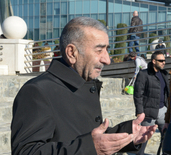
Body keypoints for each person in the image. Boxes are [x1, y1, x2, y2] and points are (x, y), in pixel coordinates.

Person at [11, 17, 157, 155]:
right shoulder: (36, 91)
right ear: (72, 53)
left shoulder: (84, 83)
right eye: (99, 50)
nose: (107, 60)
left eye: (107, 50)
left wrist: (127, 133)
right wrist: (89, 148)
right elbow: (26, 151)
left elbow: (86, 135)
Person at [134, 51, 169, 155]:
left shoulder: (164, 74)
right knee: (143, 138)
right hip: (148, 113)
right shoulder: (143, 74)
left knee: (167, 137)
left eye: (164, 60)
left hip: (163, 111)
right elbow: (137, 94)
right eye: (161, 60)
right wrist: (140, 112)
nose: (164, 62)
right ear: (154, 61)